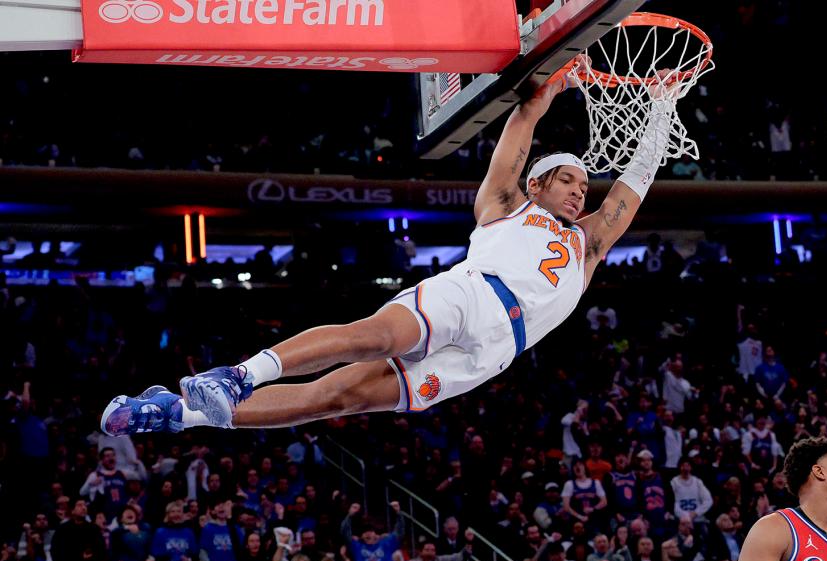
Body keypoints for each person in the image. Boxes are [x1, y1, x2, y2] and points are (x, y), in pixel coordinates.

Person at [100, 69, 672, 433]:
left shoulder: (589, 244)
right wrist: (549, 87)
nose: (579, 189)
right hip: (470, 294)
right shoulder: (505, 205)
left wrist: (664, 106)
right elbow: (524, 121)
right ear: (538, 186)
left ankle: (178, 414)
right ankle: (238, 375)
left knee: (334, 400)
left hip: (496, 351)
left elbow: (637, 180)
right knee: (369, 336)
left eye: (583, 183)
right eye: (567, 178)